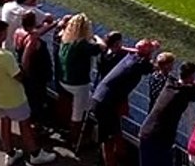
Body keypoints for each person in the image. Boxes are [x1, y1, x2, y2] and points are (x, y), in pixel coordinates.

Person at [0, 20, 57, 165]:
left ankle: (10, 153)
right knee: (25, 125)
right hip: (14, 98)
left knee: (5, 124)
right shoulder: (6, 56)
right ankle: (35, 154)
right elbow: (20, 76)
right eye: (4, 32)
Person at [92, 38, 161, 166]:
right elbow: (156, 66)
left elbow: (135, 52)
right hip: (105, 104)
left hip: (104, 99)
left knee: (115, 130)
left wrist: (149, 49)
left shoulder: (131, 56)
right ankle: (110, 162)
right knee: (108, 139)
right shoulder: (137, 65)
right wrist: (153, 51)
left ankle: (121, 154)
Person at [138, 61, 195, 166]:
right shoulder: (184, 92)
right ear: (192, 75)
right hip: (159, 139)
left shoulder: (170, 84)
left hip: (147, 133)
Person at [56, 13, 101, 148]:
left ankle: (68, 131)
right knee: (78, 112)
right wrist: (97, 38)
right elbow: (100, 47)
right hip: (78, 83)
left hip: (64, 79)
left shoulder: (65, 39)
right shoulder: (82, 44)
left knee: (70, 106)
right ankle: (74, 138)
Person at [15, 10, 56, 134]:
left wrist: (54, 24)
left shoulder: (19, 32)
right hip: (35, 74)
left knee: (31, 98)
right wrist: (27, 74)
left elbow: (37, 33)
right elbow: (26, 59)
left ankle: (34, 121)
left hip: (31, 74)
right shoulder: (32, 39)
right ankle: (38, 125)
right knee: (38, 99)